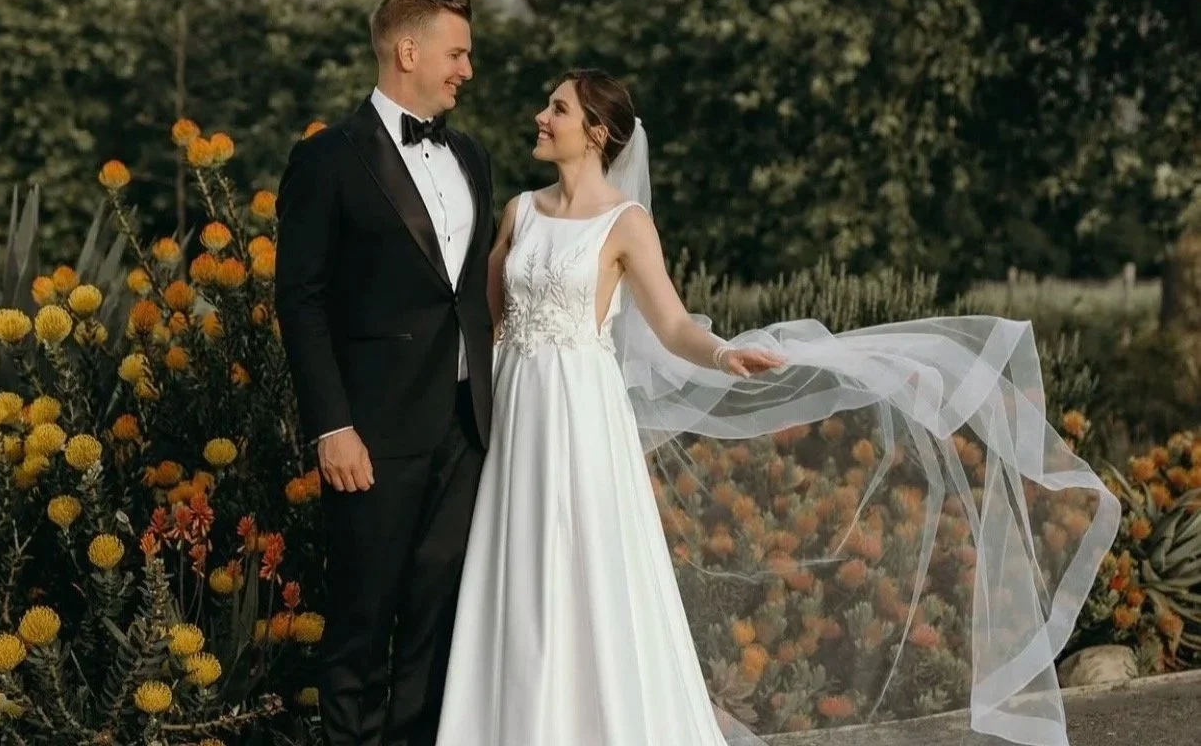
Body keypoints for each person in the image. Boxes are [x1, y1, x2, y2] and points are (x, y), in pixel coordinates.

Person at [434, 69, 1119, 746]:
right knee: (516, 564)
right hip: (520, 410)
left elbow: (671, 325)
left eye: (556, 108)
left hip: (579, 415)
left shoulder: (625, 223)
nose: (540, 118)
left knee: (586, 567)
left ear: (597, 131)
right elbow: (487, 322)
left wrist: (723, 354)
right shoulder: (520, 211)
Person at [274, 0, 495, 746]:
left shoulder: (472, 154)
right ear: (410, 51)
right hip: (371, 433)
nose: (468, 68)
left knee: (438, 631)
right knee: (362, 630)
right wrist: (332, 425)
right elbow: (299, 301)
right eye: (457, 52)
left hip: (468, 431)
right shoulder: (326, 159)